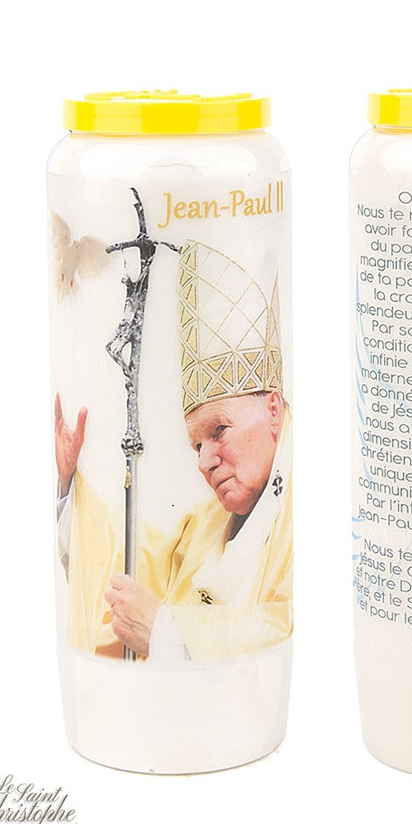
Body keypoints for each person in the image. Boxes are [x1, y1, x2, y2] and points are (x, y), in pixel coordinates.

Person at [57, 241, 292, 661]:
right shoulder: (205, 525)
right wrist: (68, 481)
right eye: (196, 444)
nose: (204, 462)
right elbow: (127, 564)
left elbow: (290, 625)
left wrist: (168, 632)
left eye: (219, 431)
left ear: (273, 410)